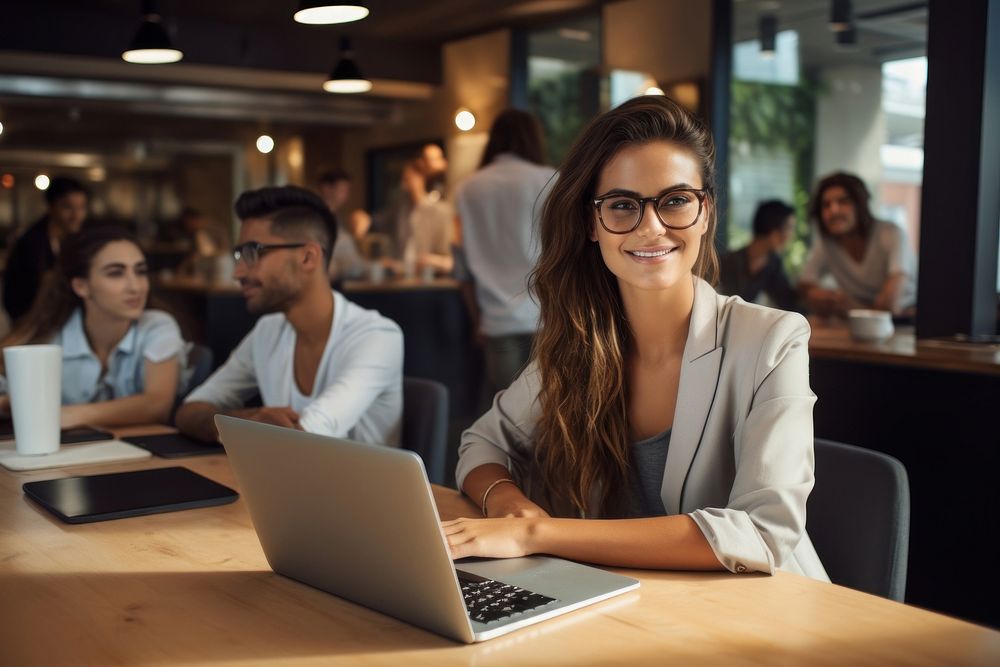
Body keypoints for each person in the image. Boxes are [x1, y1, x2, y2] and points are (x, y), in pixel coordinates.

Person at [445, 95, 828, 581]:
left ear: (705, 211)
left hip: (762, 619)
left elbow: (760, 532)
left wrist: (537, 535)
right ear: (592, 223)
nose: (651, 228)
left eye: (674, 201)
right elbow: (482, 443)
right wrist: (511, 505)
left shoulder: (773, 340)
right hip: (630, 607)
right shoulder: (580, 342)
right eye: (623, 205)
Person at [175, 186, 403, 445]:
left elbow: (303, 440)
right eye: (239, 256)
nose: (237, 272)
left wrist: (237, 425)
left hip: (358, 486)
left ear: (308, 257)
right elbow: (189, 411)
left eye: (252, 253)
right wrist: (250, 421)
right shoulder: (268, 330)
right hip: (285, 482)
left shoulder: (377, 336)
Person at [0, 225, 189, 428]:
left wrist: (66, 415)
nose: (136, 286)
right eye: (115, 273)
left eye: (140, 271)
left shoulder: (157, 326)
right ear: (81, 286)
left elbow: (156, 406)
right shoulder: (49, 338)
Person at [453, 108, 556, 400]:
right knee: (551, 410)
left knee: (507, 415)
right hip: (548, 316)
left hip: (496, 319)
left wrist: (477, 321)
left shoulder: (466, 189)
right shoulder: (550, 180)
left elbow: (463, 269)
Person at [798, 172, 917, 316]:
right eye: (826, 205)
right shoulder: (826, 243)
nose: (833, 210)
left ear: (861, 205)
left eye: (843, 202)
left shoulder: (891, 234)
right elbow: (804, 286)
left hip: (905, 324)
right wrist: (820, 296)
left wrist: (850, 306)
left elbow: (889, 306)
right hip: (856, 324)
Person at [3, 176, 89, 323]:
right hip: (33, 324)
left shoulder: (79, 240)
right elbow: (15, 296)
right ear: (51, 207)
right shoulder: (30, 244)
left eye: (81, 207)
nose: (76, 215)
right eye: (68, 207)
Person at [717, 200, 799, 311]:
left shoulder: (773, 264)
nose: (790, 236)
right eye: (789, 228)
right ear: (773, 231)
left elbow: (787, 301)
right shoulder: (727, 263)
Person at [317, 169, 366, 281]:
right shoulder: (318, 219)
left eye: (347, 191)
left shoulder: (335, 218)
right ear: (327, 189)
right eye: (342, 190)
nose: (346, 196)